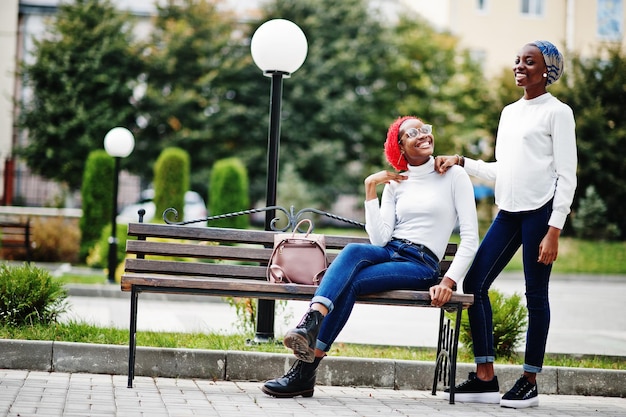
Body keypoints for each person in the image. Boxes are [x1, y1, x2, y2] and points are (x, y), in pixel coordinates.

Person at [261, 116, 479, 398]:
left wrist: (448, 282)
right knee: (353, 251)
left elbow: (471, 238)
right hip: (392, 249)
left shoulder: (452, 175)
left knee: (350, 283)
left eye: (426, 129)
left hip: (420, 264)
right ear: (399, 146)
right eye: (413, 133)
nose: (423, 135)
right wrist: (370, 190)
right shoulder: (396, 183)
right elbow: (379, 239)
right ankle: (311, 326)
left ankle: (304, 368)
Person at [435, 40, 577, 409]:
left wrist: (554, 229)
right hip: (509, 211)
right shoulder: (509, 113)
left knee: (535, 295)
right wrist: (462, 161)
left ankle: (529, 379)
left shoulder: (557, 113)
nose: (519, 66)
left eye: (529, 62)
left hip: (541, 213)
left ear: (547, 71)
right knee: (475, 281)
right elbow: (503, 170)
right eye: (517, 60)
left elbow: (567, 175)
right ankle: (485, 378)